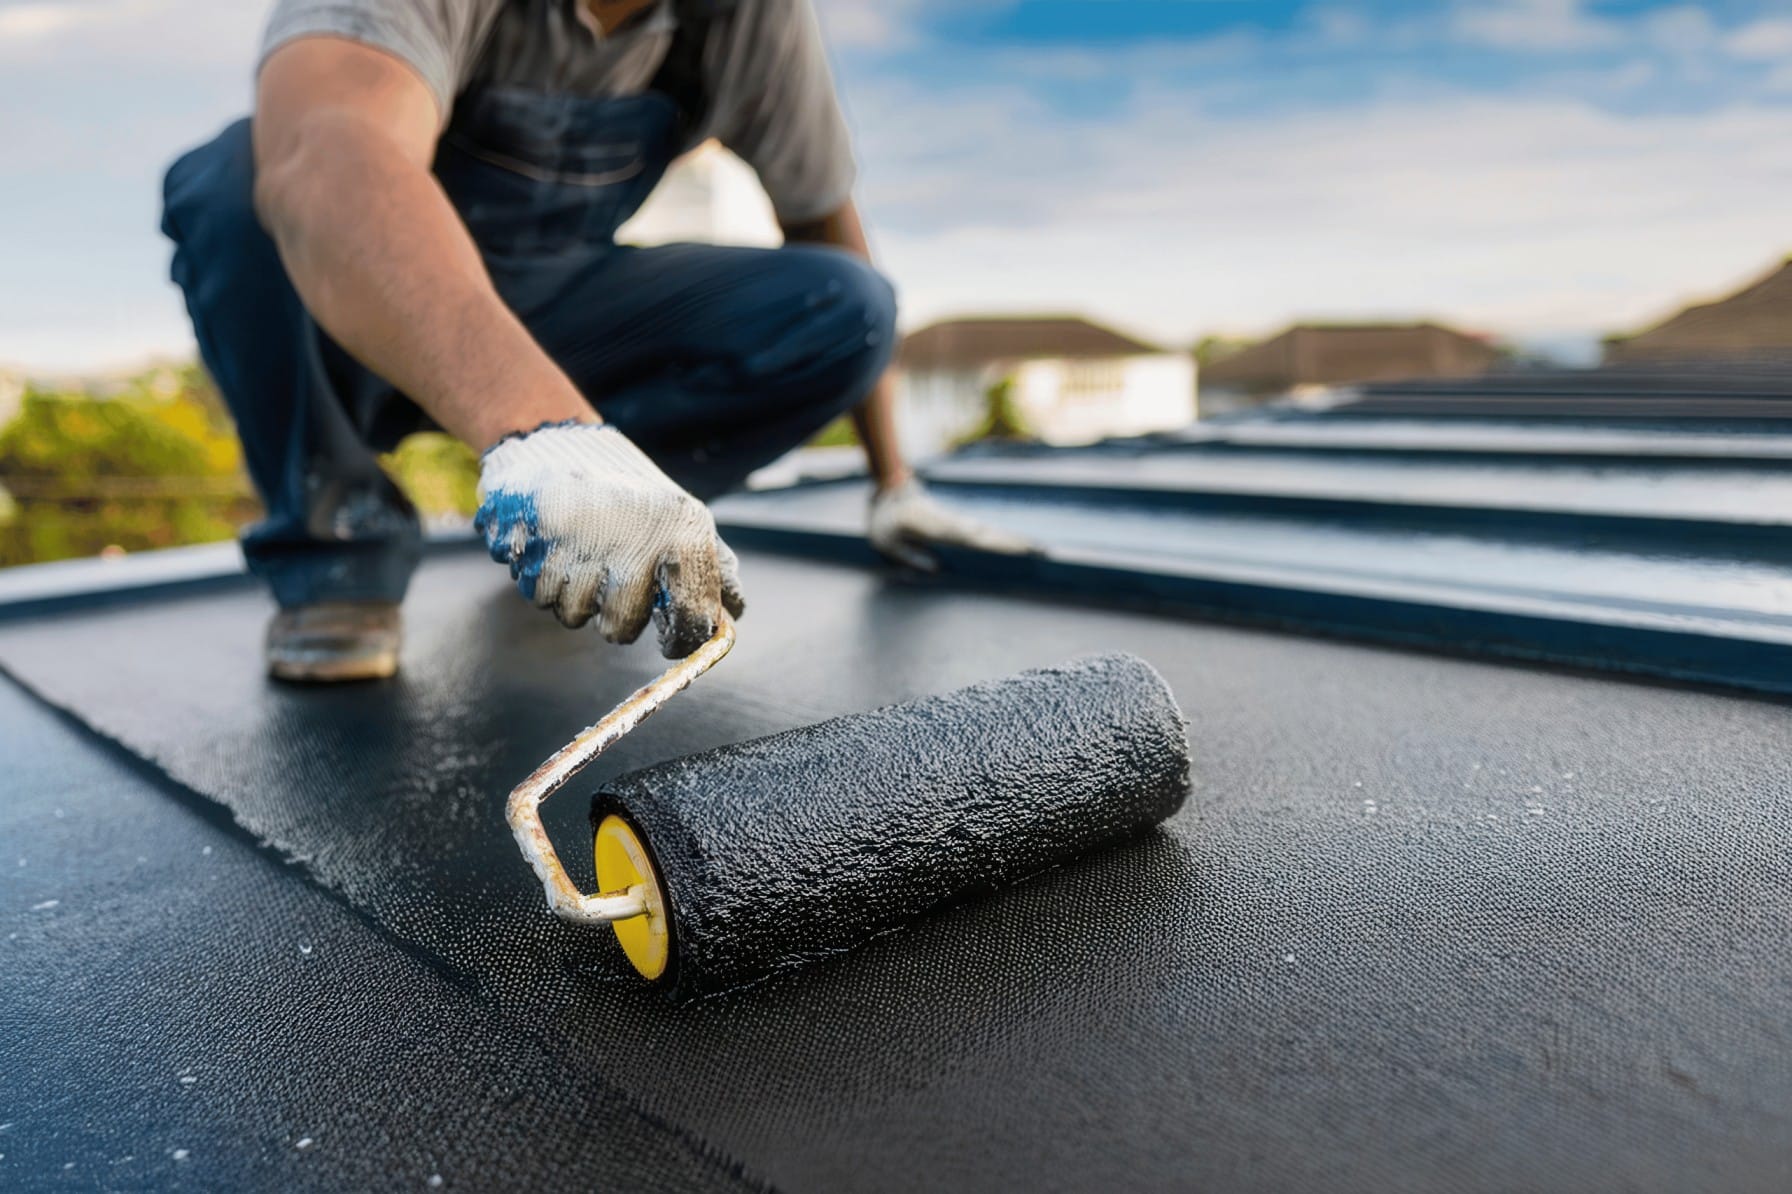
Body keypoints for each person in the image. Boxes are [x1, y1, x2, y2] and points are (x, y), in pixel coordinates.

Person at [161, 0, 1031, 682]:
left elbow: (822, 220)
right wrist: (544, 432)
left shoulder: (748, 13)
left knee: (846, 307)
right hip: (345, 323)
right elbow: (328, 149)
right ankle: (338, 554)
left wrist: (895, 483)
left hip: (558, 311)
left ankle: (591, 539)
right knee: (235, 182)